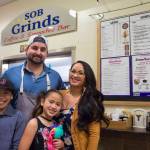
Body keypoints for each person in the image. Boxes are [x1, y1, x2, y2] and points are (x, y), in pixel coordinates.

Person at [3, 34, 64, 122]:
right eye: (34, 48)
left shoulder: (55, 76)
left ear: (46, 54)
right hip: (16, 131)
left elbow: (62, 104)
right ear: (26, 50)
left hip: (45, 133)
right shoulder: (10, 74)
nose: (38, 52)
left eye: (43, 49)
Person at [61, 60, 109, 150]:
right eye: (73, 71)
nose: (75, 75)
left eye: (80, 73)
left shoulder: (90, 101)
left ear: (86, 77)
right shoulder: (59, 95)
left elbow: (94, 134)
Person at [0, 77, 25, 150]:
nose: (1, 97)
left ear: (12, 96)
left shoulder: (18, 117)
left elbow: (16, 145)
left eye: (6, 93)